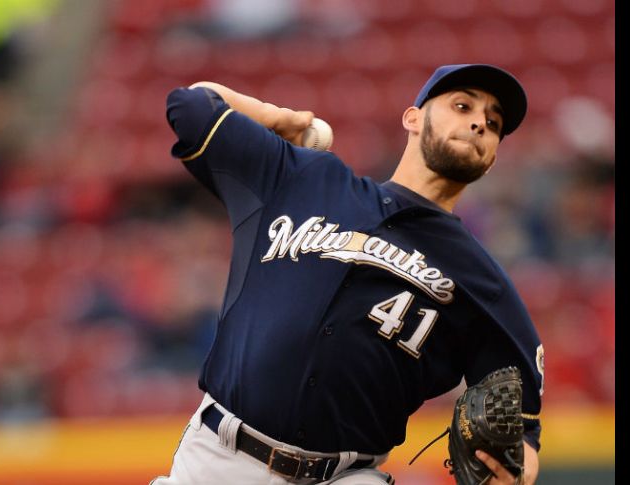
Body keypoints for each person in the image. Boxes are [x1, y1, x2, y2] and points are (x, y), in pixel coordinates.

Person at [151, 64, 545, 485]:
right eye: (462, 106)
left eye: (493, 124)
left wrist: (516, 474)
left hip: (347, 476)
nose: (479, 123)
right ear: (413, 118)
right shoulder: (306, 179)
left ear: (491, 159)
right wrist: (279, 118)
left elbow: (523, 431)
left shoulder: (482, 281)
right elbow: (191, 105)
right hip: (221, 457)